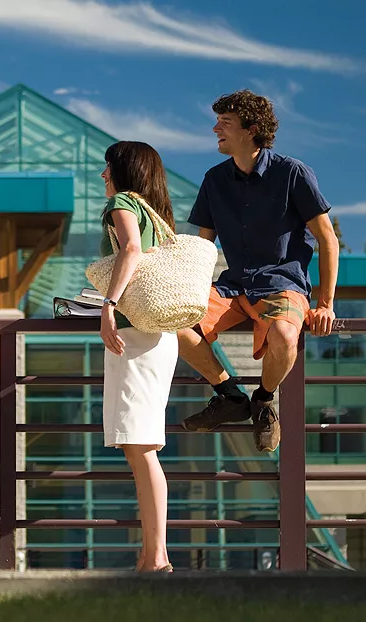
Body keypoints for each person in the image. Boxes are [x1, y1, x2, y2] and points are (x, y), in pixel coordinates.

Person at [179, 90, 339, 452]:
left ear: (251, 130)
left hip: (283, 284)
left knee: (284, 335)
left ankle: (263, 402)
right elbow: (204, 248)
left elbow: (327, 239)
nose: (215, 128)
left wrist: (326, 304)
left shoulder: (292, 173)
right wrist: (189, 294)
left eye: (226, 123)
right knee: (172, 319)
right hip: (234, 286)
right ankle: (229, 395)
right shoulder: (214, 179)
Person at [97, 141, 178, 573]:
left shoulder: (124, 203)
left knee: (140, 448)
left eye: (107, 167)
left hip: (137, 338)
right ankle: (149, 556)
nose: (102, 175)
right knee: (141, 445)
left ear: (123, 170)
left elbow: (129, 250)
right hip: (159, 338)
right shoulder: (157, 215)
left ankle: (158, 558)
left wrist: (108, 305)